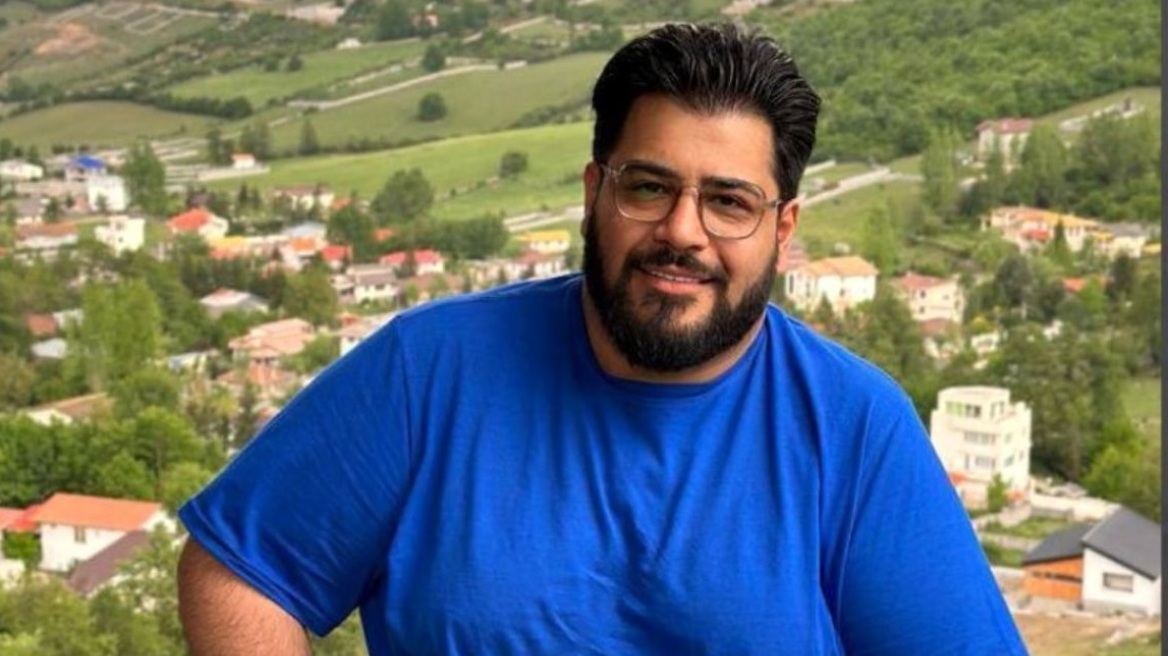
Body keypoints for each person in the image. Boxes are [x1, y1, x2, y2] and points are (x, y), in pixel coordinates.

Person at [177, 22, 1028, 655]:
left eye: (729, 202)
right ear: (593, 194)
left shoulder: (852, 427)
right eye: (649, 188)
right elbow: (237, 571)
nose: (683, 232)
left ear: (783, 228)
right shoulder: (428, 371)